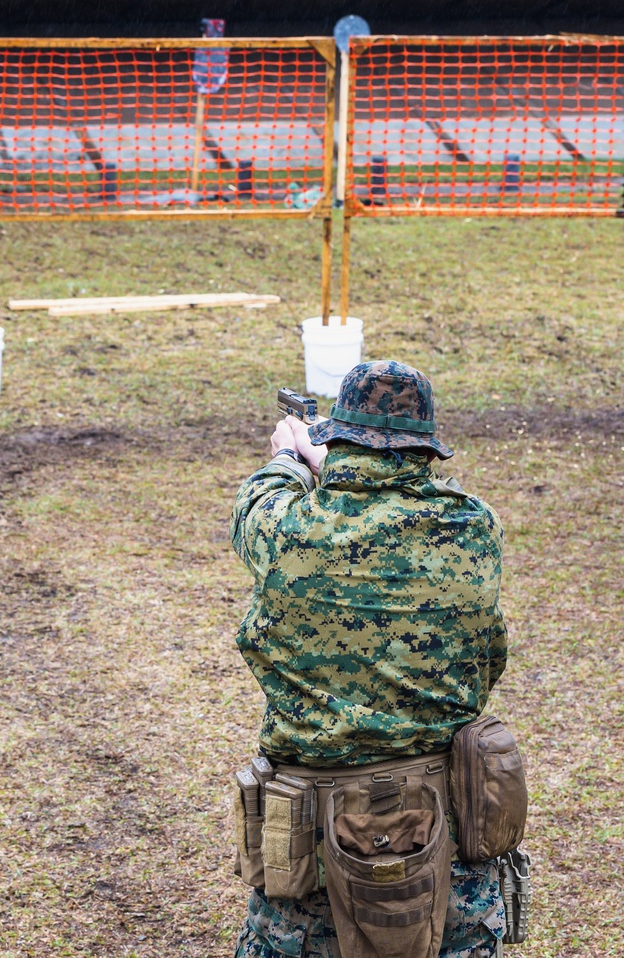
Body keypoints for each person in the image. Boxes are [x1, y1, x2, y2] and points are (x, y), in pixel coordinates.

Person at [230, 359, 509, 958]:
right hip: (445, 831)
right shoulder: (472, 527)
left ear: (339, 439)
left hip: (313, 847)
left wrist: (289, 455)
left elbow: (255, 505)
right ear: (427, 448)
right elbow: (490, 659)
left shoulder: (288, 529)